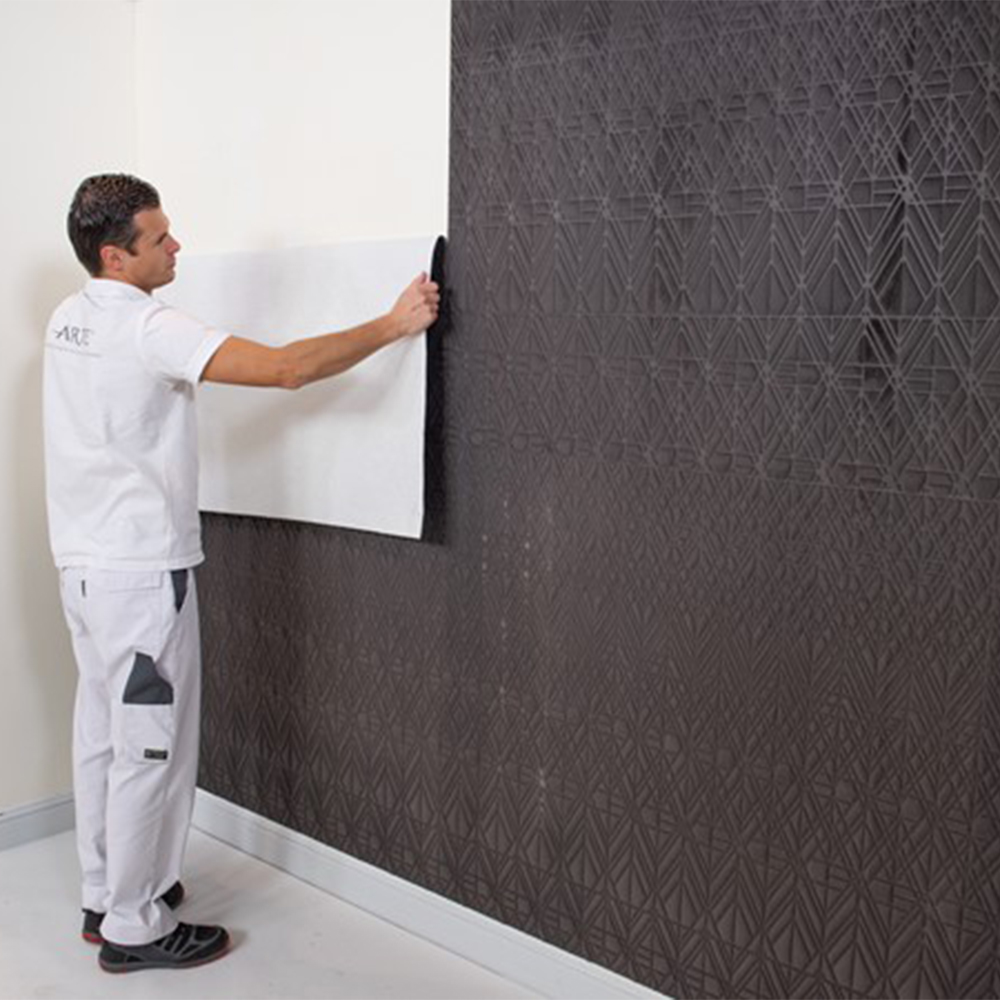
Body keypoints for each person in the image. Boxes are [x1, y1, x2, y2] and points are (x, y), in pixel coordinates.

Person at [43, 173, 439, 973]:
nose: (177, 245)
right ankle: (132, 927)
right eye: (160, 237)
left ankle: (105, 893)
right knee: (150, 750)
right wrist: (393, 324)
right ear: (116, 257)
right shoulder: (147, 327)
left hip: (84, 571)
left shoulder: (68, 317)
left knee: (104, 738)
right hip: (139, 576)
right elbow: (288, 369)